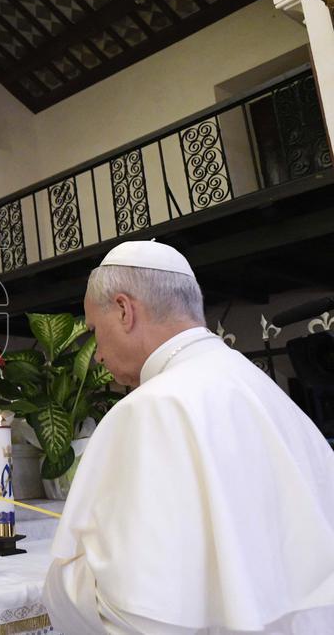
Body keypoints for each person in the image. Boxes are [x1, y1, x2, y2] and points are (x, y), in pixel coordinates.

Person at [42, 240, 334, 634]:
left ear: (125, 310)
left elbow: (131, 610)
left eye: (95, 331)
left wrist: (62, 583)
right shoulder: (262, 389)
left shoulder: (151, 407)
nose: (96, 354)